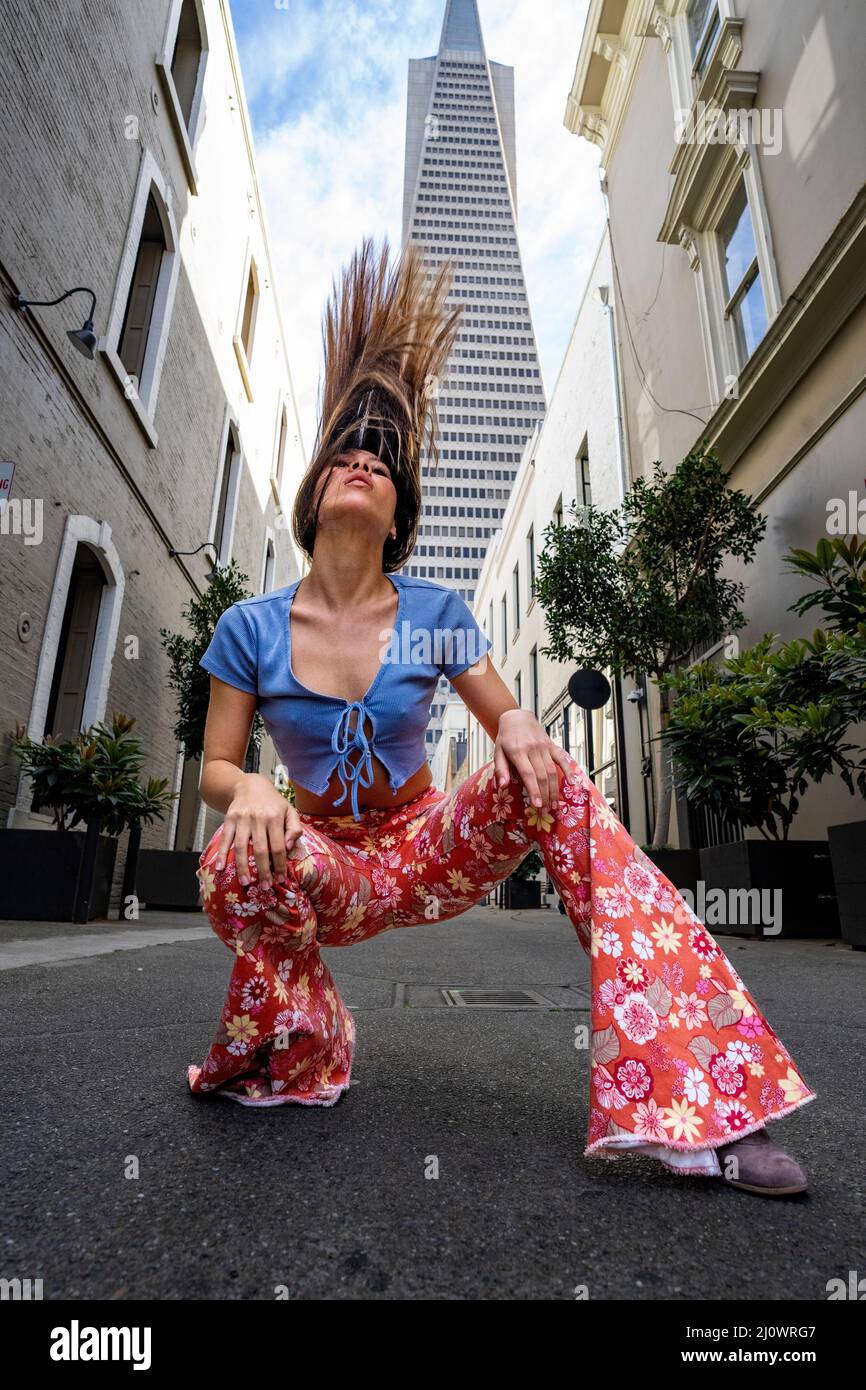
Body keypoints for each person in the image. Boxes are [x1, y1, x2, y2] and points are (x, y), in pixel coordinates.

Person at [187, 236, 815, 1198]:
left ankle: (696, 1105)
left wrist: (521, 727)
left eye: (383, 460)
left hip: (424, 844)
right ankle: (305, 1039)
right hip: (319, 863)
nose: (362, 461)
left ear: (400, 514)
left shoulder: (435, 612)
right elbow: (216, 769)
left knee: (557, 777)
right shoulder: (248, 626)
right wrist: (256, 789)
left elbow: (504, 713)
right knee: (233, 848)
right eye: (345, 454)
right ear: (312, 493)